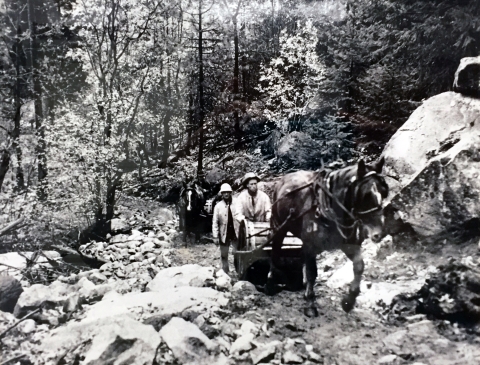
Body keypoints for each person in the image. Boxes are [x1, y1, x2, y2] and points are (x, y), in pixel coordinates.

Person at [212, 183, 238, 273]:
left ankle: (238, 270)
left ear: (230, 193)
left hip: (235, 231)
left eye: (228, 192)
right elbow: (215, 221)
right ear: (221, 194)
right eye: (224, 193)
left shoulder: (237, 203)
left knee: (237, 253)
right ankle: (225, 271)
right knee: (224, 254)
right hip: (224, 233)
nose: (226, 194)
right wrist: (215, 236)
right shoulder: (218, 206)